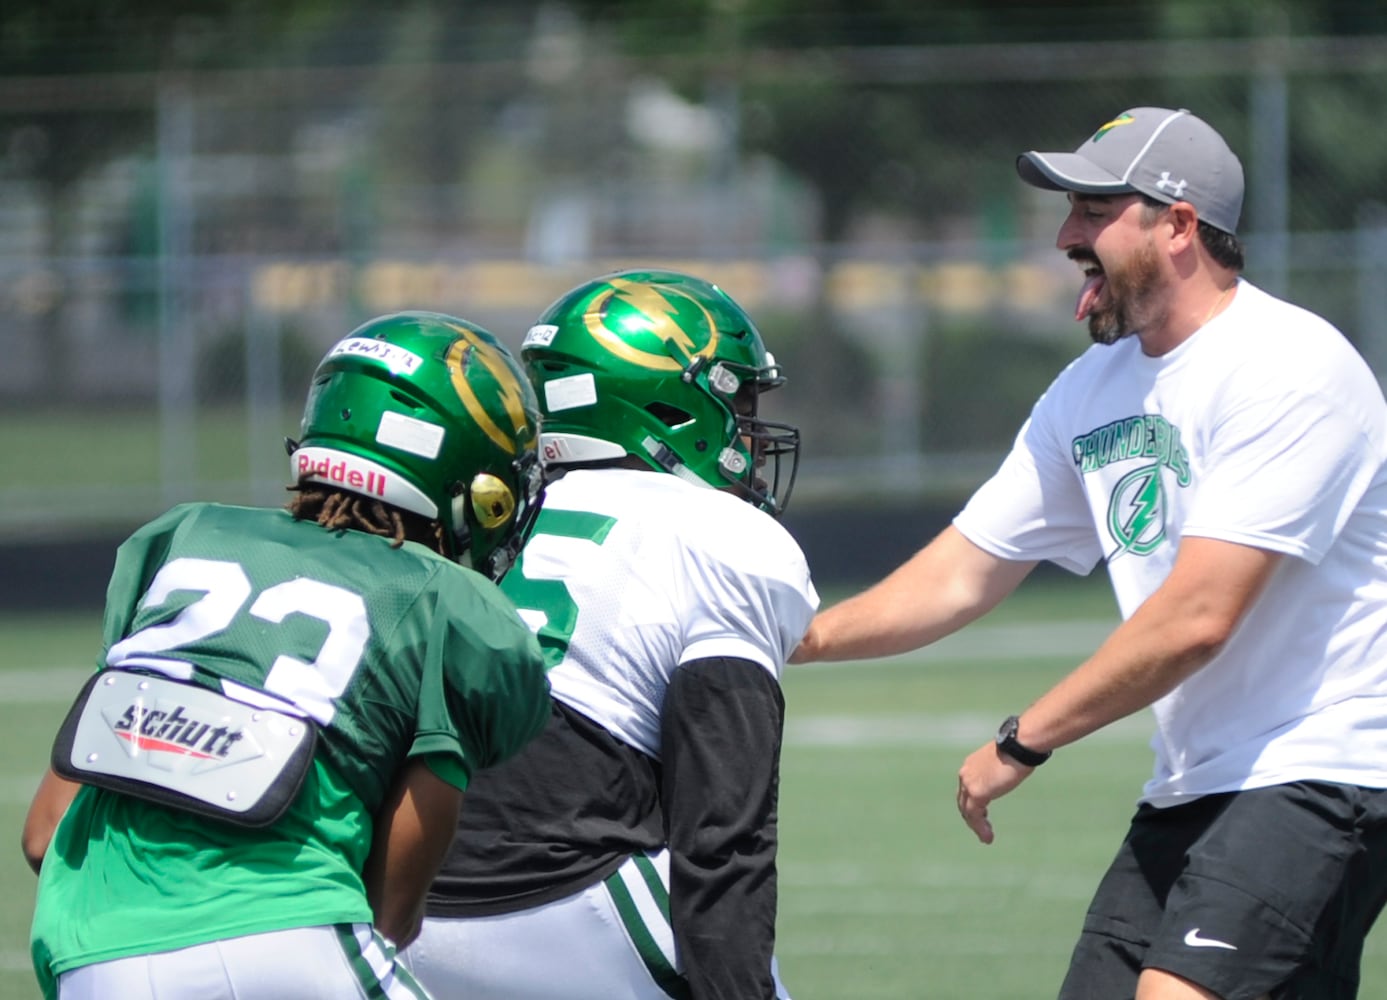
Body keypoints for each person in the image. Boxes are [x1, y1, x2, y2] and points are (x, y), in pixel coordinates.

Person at [792, 107, 1387, 999]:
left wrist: (1022, 741)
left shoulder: (1290, 368)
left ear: (1178, 226)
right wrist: (792, 637)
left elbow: (1195, 618)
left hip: (1321, 766)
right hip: (1194, 779)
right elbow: (963, 570)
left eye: (1094, 210)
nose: (1066, 234)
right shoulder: (1092, 386)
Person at [23, 311, 552, 1000]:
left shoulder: (179, 540)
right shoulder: (449, 603)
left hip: (91, 958)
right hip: (292, 940)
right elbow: (393, 911)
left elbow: (46, 832)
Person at [398, 268, 819, 1000]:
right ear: (669, 402)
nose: (748, 426)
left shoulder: (482, 515)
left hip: (400, 905)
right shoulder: (725, 535)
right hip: (566, 898)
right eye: (737, 398)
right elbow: (724, 833)